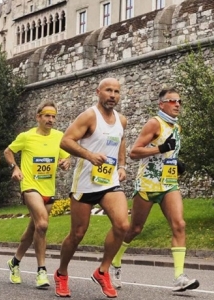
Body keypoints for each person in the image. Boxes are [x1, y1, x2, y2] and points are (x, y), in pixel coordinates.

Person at [110, 88, 199, 292]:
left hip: (168, 183)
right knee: (135, 229)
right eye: (172, 101)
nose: (177, 104)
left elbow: (168, 153)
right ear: (162, 104)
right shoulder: (154, 123)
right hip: (148, 184)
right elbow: (134, 152)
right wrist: (160, 149)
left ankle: (179, 277)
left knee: (179, 224)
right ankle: (114, 262)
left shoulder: (176, 127)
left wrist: (177, 163)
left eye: (180, 101)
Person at [54, 78, 129, 298]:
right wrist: (89, 155)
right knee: (77, 233)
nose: (113, 95)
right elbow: (66, 141)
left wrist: (122, 165)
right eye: (108, 90)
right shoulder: (89, 116)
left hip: (109, 182)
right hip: (85, 183)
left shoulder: (121, 120)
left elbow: (121, 141)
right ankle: (62, 273)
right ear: (98, 92)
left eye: (116, 91)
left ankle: (103, 271)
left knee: (122, 225)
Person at [4, 100, 71, 289]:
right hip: (30, 186)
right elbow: (8, 151)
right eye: (47, 116)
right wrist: (15, 167)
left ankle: (15, 262)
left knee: (34, 229)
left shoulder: (59, 136)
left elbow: (65, 156)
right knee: (42, 224)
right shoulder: (26, 136)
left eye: (53, 116)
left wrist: (66, 162)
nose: (51, 119)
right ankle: (42, 271)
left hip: (48, 189)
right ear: (38, 117)